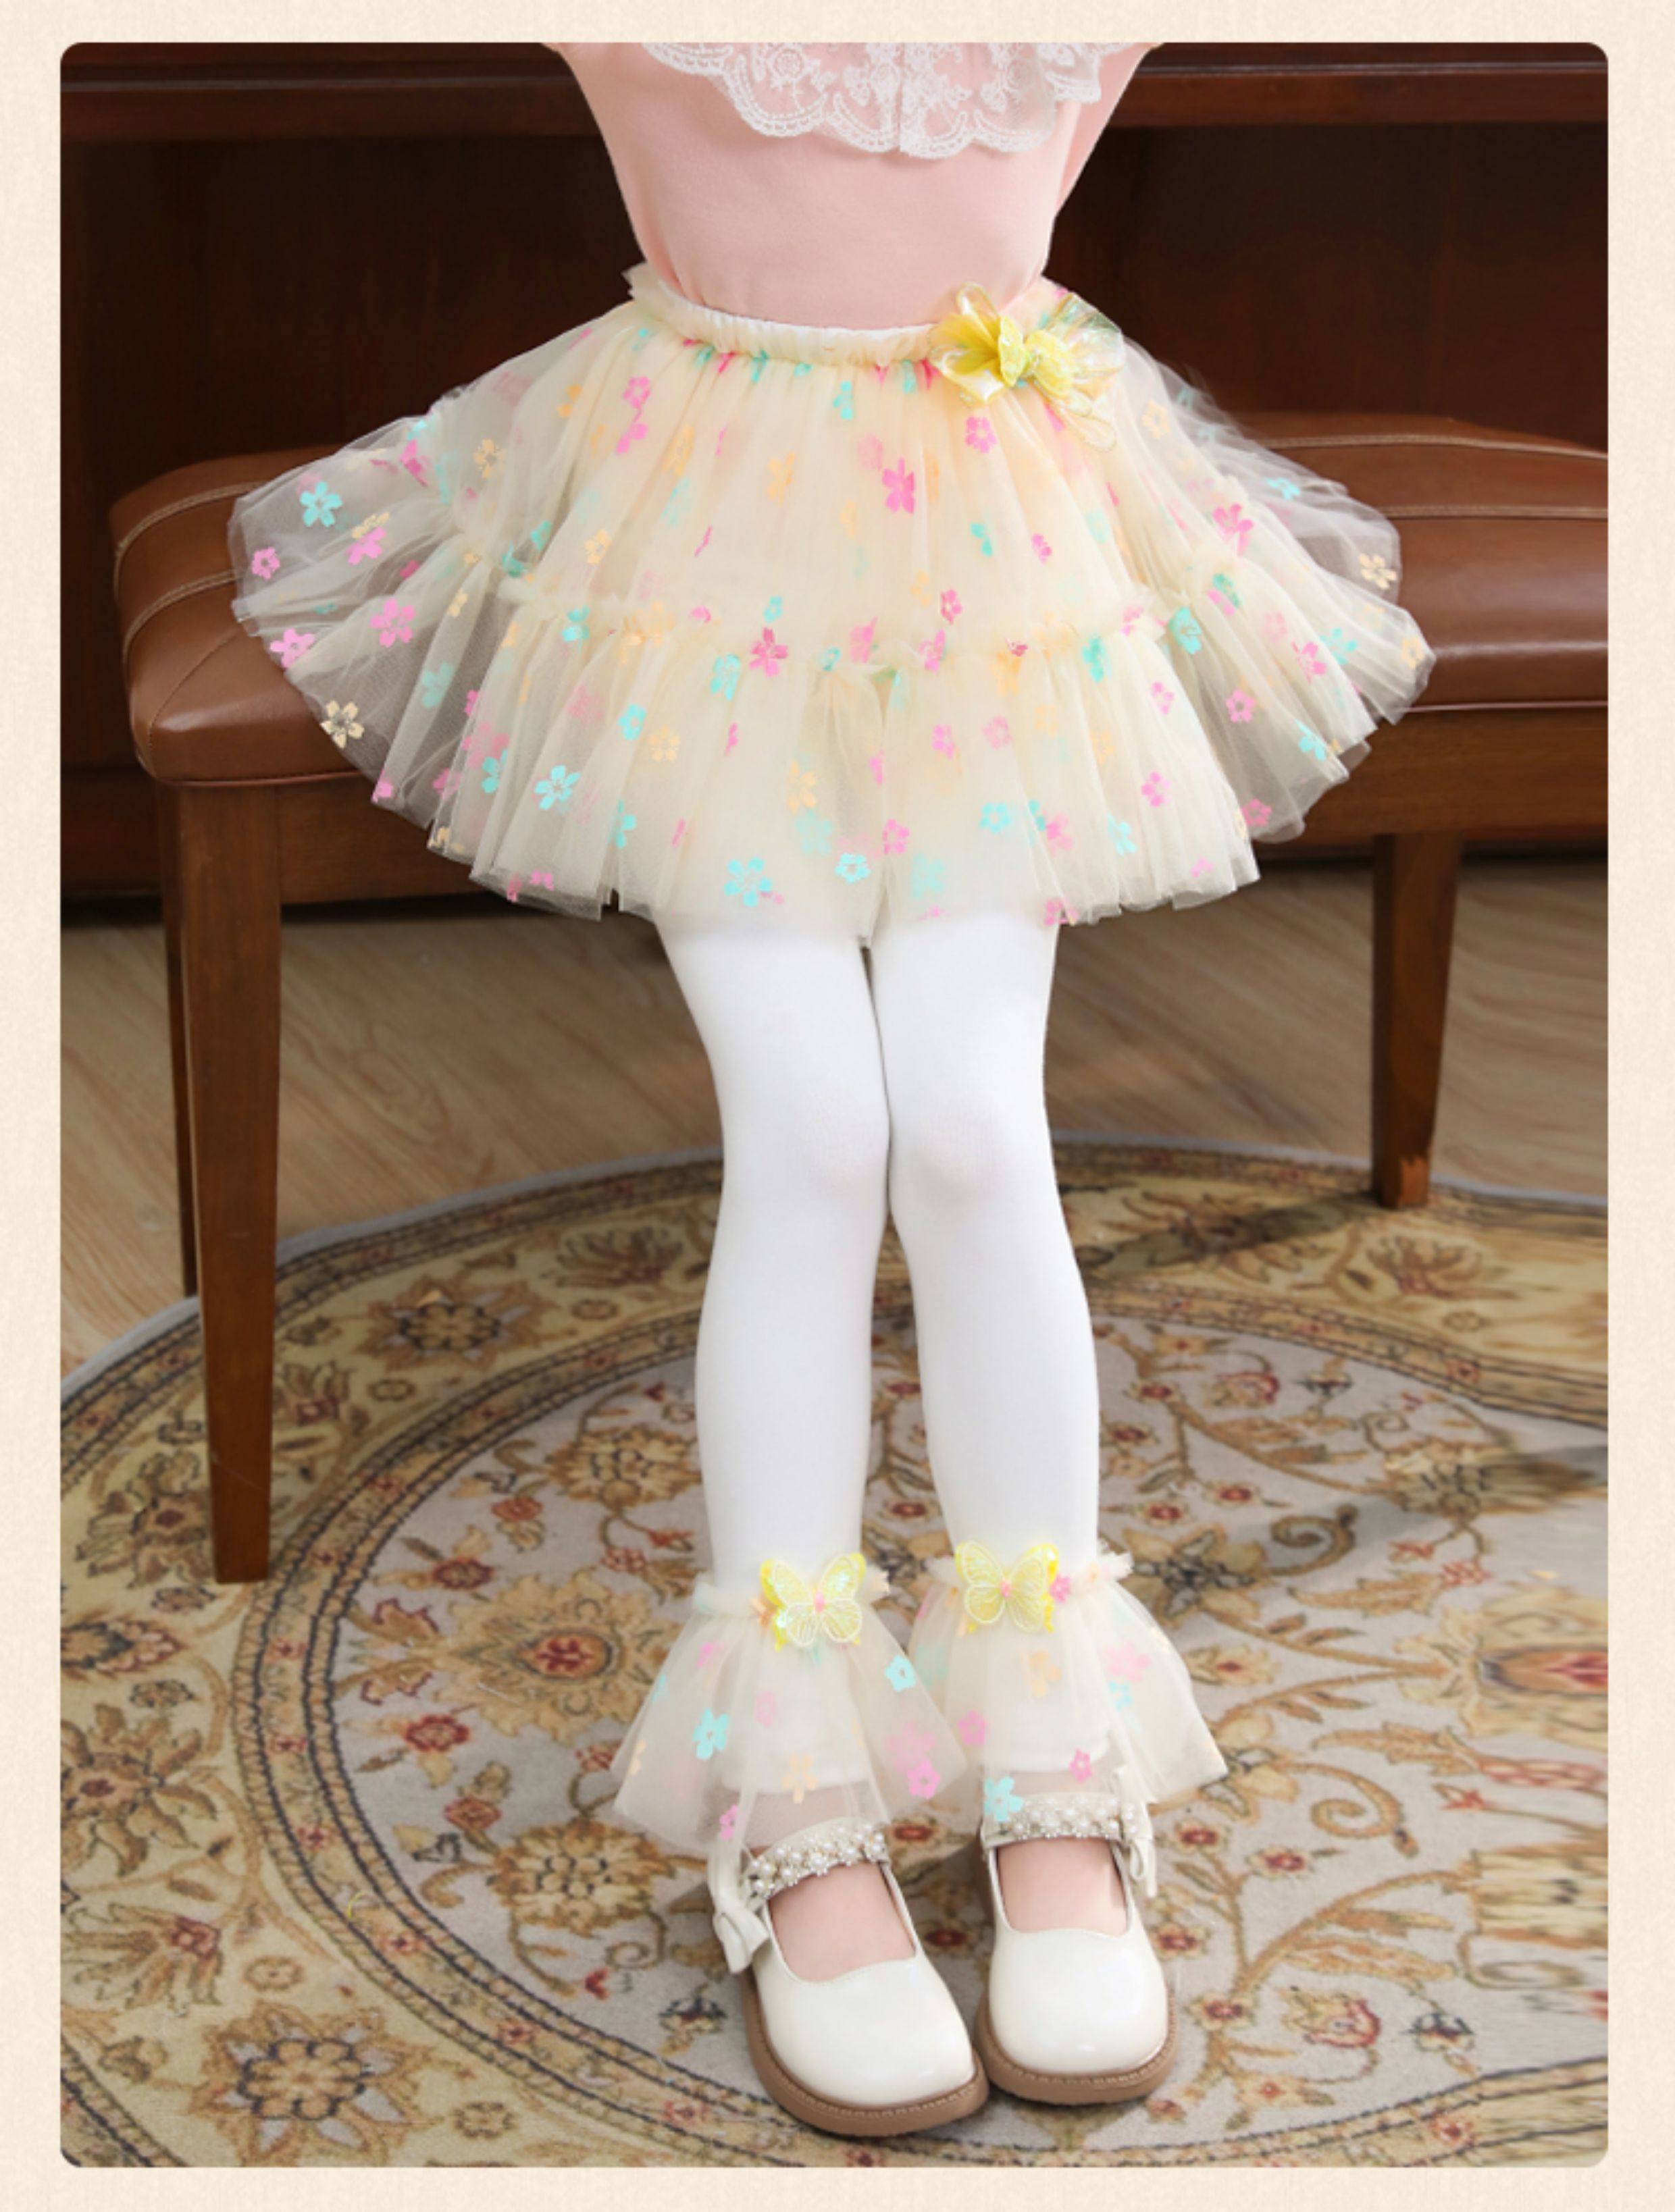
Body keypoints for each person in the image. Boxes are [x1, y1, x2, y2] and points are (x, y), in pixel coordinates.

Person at [228, 41, 1434, 2136]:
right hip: (699, 544)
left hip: (994, 541)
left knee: (965, 1118)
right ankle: (792, 1795)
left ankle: (1052, 1765)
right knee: (811, 1123)